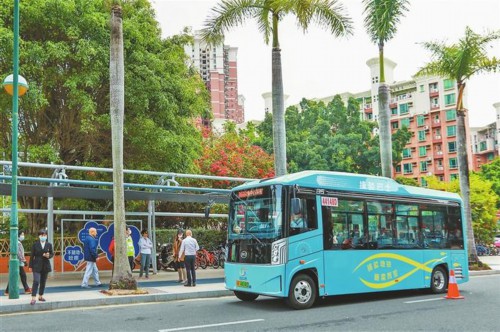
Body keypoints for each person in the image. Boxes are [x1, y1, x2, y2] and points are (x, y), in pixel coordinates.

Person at [29, 229, 54, 305]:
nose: (43, 236)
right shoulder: (35, 245)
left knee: (43, 281)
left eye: (45, 235)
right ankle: (33, 298)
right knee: (36, 281)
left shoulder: (49, 244)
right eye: (42, 235)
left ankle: (40, 296)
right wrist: (30, 266)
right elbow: (32, 256)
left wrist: (48, 255)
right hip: (36, 265)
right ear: (39, 236)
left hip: (45, 265)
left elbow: (52, 253)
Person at [4, 230, 31, 296]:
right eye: (22, 234)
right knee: (21, 276)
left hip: (16, 262)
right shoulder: (17, 243)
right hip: (17, 262)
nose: (23, 236)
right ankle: (26, 289)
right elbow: (19, 253)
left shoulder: (16, 242)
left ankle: (8, 291)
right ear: (18, 235)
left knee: (16, 276)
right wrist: (24, 261)